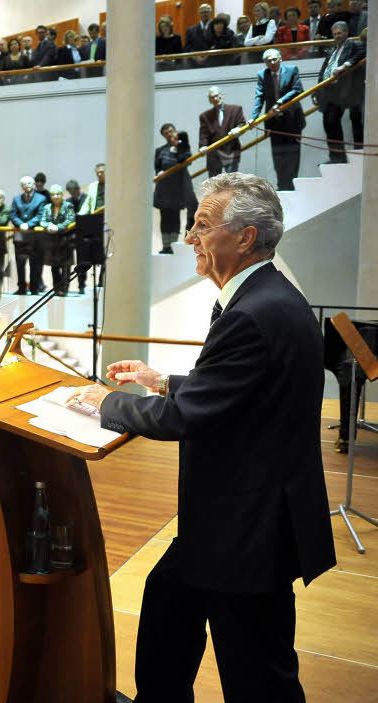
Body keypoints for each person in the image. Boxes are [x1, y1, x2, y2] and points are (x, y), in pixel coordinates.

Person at [70, 172, 335, 702]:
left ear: (245, 238)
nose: (190, 237)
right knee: (168, 606)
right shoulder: (269, 297)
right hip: (237, 517)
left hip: (245, 530)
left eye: (202, 225)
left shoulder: (255, 312)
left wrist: (106, 403)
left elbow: (183, 419)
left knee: (258, 674)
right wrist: (163, 381)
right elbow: (244, 388)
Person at [250, 49, 305, 190]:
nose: (272, 63)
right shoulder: (263, 75)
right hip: (274, 122)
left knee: (293, 155)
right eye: (269, 61)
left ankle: (292, 184)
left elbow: (298, 89)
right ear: (265, 63)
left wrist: (280, 101)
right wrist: (253, 118)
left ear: (280, 59)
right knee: (278, 156)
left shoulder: (292, 70)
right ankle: (282, 185)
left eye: (274, 59)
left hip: (292, 120)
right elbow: (259, 97)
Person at [314, 21, 365, 164]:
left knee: (333, 121)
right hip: (327, 92)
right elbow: (323, 72)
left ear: (346, 32)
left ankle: (340, 157)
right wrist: (316, 91)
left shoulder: (354, 45)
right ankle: (335, 156)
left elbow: (363, 52)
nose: (337, 36)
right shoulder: (333, 50)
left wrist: (345, 65)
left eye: (339, 33)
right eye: (334, 34)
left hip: (341, 92)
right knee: (327, 123)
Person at [154, 123, 196, 254]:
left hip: (178, 186)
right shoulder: (160, 150)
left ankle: (173, 244)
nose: (169, 134)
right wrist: (159, 172)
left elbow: (187, 159)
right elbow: (157, 167)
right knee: (165, 217)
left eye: (170, 131)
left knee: (175, 216)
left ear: (175, 131)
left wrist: (177, 145)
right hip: (164, 188)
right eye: (166, 133)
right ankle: (165, 245)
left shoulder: (183, 145)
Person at [197, 87, 247, 176]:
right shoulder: (205, 116)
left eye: (216, 96)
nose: (215, 99)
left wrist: (238, 129)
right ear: (209, 100)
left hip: (231, 150)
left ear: (222, 95)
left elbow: (242, 123)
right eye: (212, 97)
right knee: (214, 182)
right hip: (213, 153)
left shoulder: (235, 109)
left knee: (232, 180)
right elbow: (204, 133)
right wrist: (203, 146)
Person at [10, 176, 47, 293]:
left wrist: (29, 224)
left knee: (34, 264)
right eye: (25, 184)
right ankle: (21, 288)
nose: (27, 186)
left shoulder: (41, 198)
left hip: (35, 237)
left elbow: (41, 214)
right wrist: (20, 224)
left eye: (30, 183)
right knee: (20, 264)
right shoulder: (16, 199)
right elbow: (13, 215)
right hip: (20, 236)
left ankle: (34, 288)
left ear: (34, 185)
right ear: (21, 186)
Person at [39, 185, 76, 294]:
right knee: (54, 267)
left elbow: (70, 220)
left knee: (65, 268)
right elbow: (42, 221)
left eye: (57, 194)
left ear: (62, 195)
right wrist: (48, 225)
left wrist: (57, 227)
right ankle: (56, 289)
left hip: (65, 241)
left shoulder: (68, 205)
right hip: (52, 242)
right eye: (53, 194)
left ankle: (64, 290)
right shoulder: (47, 207)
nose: (55, 196)